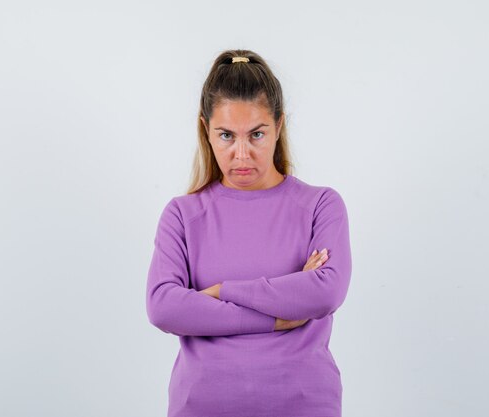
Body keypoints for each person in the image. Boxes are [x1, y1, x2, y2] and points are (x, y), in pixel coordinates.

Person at [146, 49, 352, 417]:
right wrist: (278, 314)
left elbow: (325, 291)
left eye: (257, 134)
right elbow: (163, 306)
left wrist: (222, 292)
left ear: (279, 126)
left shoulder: (321, 205)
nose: (241, 154)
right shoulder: (183, 214)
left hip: (303, 405)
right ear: (205, 131)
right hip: (203, 407)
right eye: (226, 135)